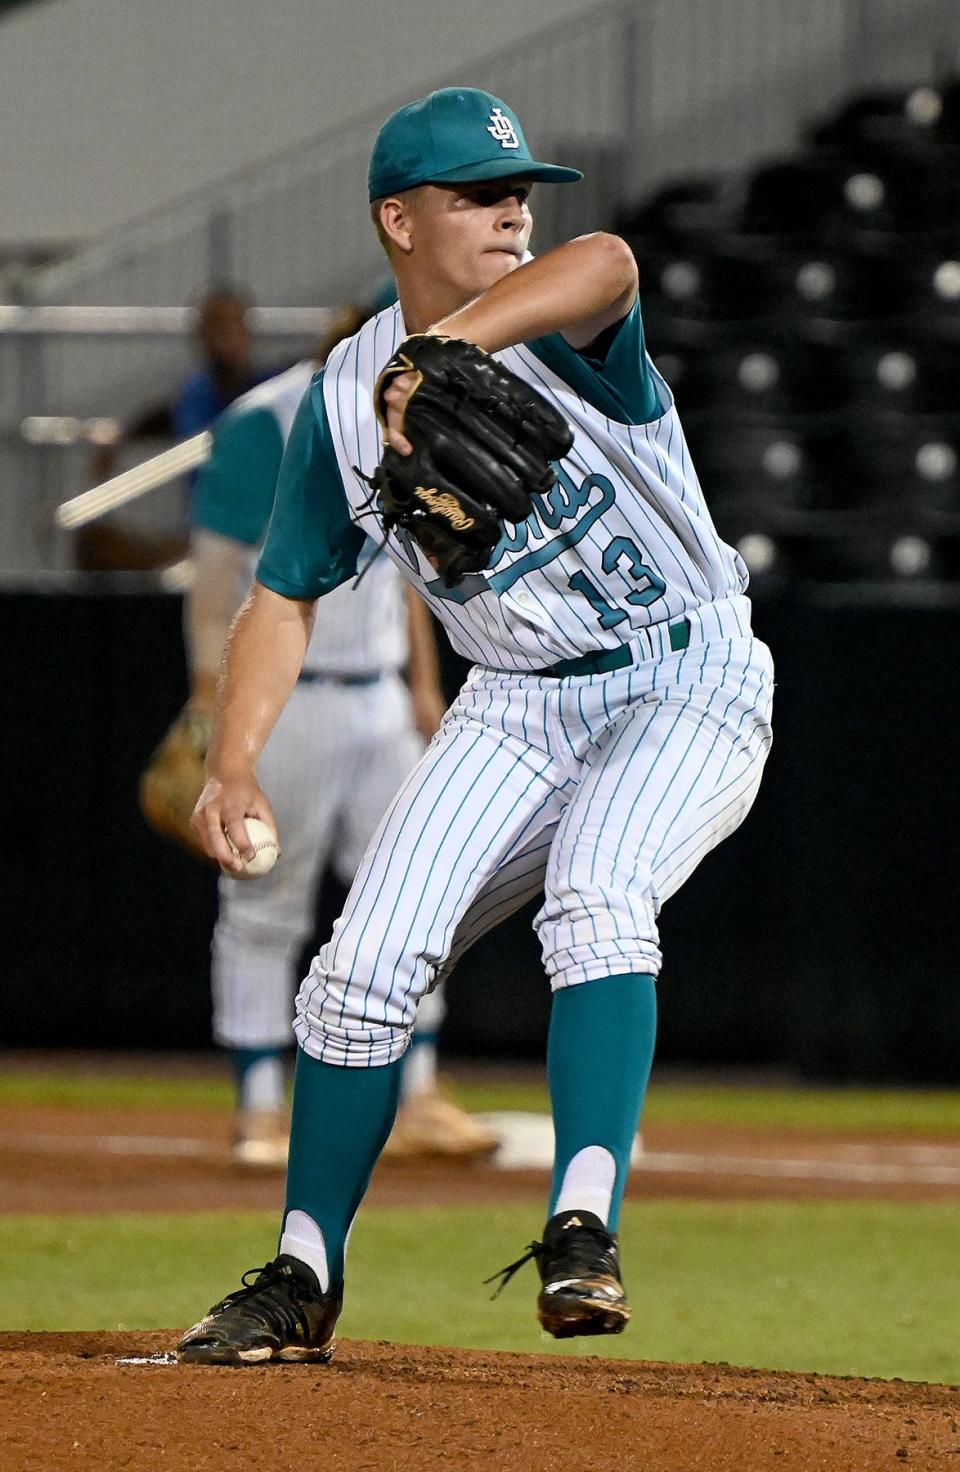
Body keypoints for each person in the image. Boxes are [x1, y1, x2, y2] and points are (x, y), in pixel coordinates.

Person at [178, 87, 774, 1364]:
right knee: (355, 975)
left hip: (685, 675)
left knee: (601, 889)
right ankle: (300, 1274)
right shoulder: (340, 409)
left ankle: (583, 1224)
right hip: (516, 700)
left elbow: (606, 261)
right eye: (479, 195)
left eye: (520, 193)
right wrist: (232, 760)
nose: (514, 213)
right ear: (397, 218)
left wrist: (439, 357)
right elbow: (282, 592)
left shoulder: (561, 317)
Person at [186, 304, 498, 1168]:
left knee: (422, 898)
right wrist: (217, 718)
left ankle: (420, 1092)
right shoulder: (267, 421)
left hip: (379, 703)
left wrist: (426, 690)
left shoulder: (412, 418)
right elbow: (217, 585)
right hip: (290, 702)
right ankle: (258, 1102)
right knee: (262, 903)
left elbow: (408, 573)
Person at [79, 289, 266, 572]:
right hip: (202, 533)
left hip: (258, 538)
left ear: (246, 331)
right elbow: (161, 417)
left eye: (225, 326)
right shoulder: (195, 394)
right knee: (96, 544)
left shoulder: (270, 395)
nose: (217, 339)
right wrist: (117, 439)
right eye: (208, 328)